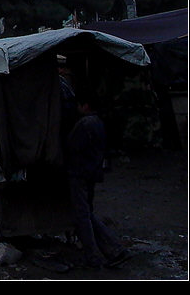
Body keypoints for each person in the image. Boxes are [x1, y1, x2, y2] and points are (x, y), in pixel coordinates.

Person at [65, 91, 130, 269]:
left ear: (85, 106)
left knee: (83, 215)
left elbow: (71, 147)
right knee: (86, 213)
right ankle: (112, 250)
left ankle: (96, 255)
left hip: (80, 174)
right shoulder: (97, 123)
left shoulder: (84, 124)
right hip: (91, 173)